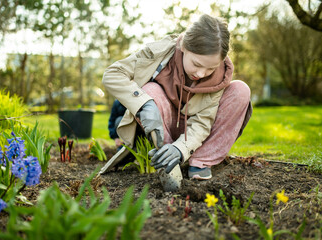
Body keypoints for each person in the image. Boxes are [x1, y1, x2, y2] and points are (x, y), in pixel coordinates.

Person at [100, 14, 252, 180]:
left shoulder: (219, 77)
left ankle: (200, 161)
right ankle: (166, 157)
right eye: (197, 64)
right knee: (150, 90)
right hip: (162, 125)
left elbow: (202, 122)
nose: (201, 74)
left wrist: (181, 148)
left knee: (241, 90)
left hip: (196, 135)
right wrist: (143, 104)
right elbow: (112, 74)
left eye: (211, 69)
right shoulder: (160, 52)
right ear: (183, 45)